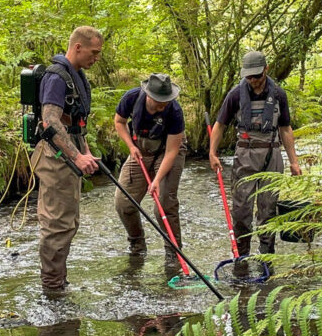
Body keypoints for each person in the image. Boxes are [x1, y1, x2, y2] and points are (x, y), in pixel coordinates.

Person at [208, 51, 301, 256]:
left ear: (266, 70)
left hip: (272, 154)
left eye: (256, 76)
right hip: (245, 155)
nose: (253, 81)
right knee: (241, 210)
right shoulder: (234, 95)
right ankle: (241, 256)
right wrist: (212, 153)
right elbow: (219, 125)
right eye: (248, 77)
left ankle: (267, 256)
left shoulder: (278, 94)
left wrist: (294, 162)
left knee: (268, 209)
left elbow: (285, 129)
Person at [32, 26, 103, 293]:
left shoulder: (77, 76)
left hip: (69, 156)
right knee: (57, 225)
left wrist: (84, 152)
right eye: (94, 52)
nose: (96, 58)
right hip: (55, 158)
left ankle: (58, 282)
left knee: (69, 223)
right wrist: (76, 156)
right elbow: (50, 121)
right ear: (77, 47)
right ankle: (51, 288)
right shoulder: (57, 77)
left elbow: (76, 123)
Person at [113, 73, 186, 257]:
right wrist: (130, 146)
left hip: (168, 151)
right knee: (124, 203)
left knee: (164, 203)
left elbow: (171, 152)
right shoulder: (131, 98)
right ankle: (137, 247)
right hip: (140, 150)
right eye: (159, 100)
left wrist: (157, 180)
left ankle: (173, 252)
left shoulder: (175, 112)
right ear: (148, 95)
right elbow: (119, 122)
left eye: (166, 100)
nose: (163, 104)